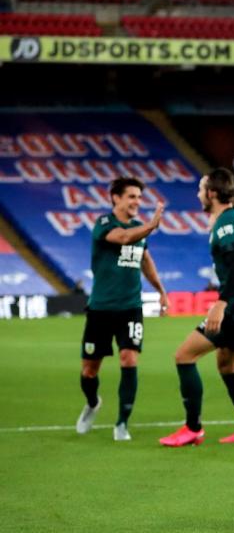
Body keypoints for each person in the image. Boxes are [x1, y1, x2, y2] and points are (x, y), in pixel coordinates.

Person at [159, 168, 234, 447]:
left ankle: (193, 428)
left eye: (201, 188)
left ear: (212, 193)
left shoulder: (225, 226)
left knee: (184, 356)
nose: (198, 193)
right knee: (227, 365)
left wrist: (220, 304)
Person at [76, 177, 167, 442]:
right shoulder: (104, 224)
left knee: (129, 359)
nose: (137, 201)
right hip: (101, 309)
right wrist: (152, 225)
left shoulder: (140, 229)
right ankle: (93, 403)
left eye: (139, 197)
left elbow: (145, 260)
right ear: (115, 198)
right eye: (131, 196)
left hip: (130, 307)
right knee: (89, 370)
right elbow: (125, 237)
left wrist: (161, 291)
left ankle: (122, 423)